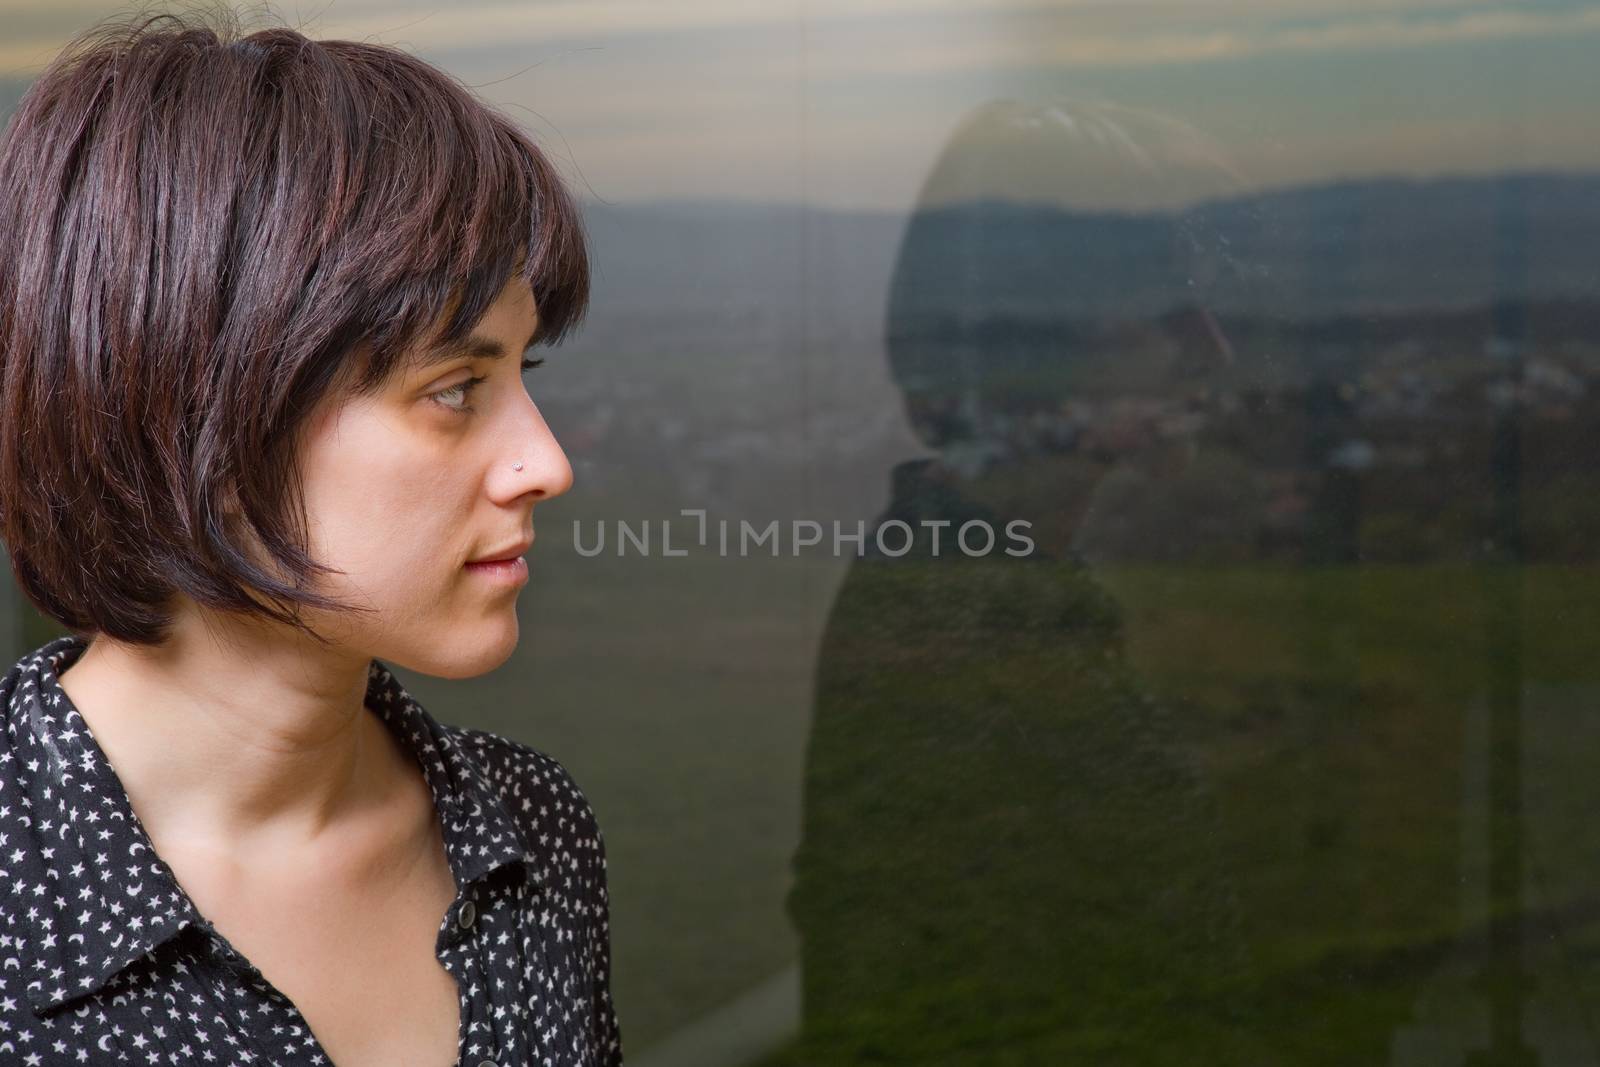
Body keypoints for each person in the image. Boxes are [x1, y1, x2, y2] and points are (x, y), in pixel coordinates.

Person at [0, 10, 622, 1066]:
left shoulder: (528, 829)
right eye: (457, 387)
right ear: (202, 409)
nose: (545, 461)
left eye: (526, 373)